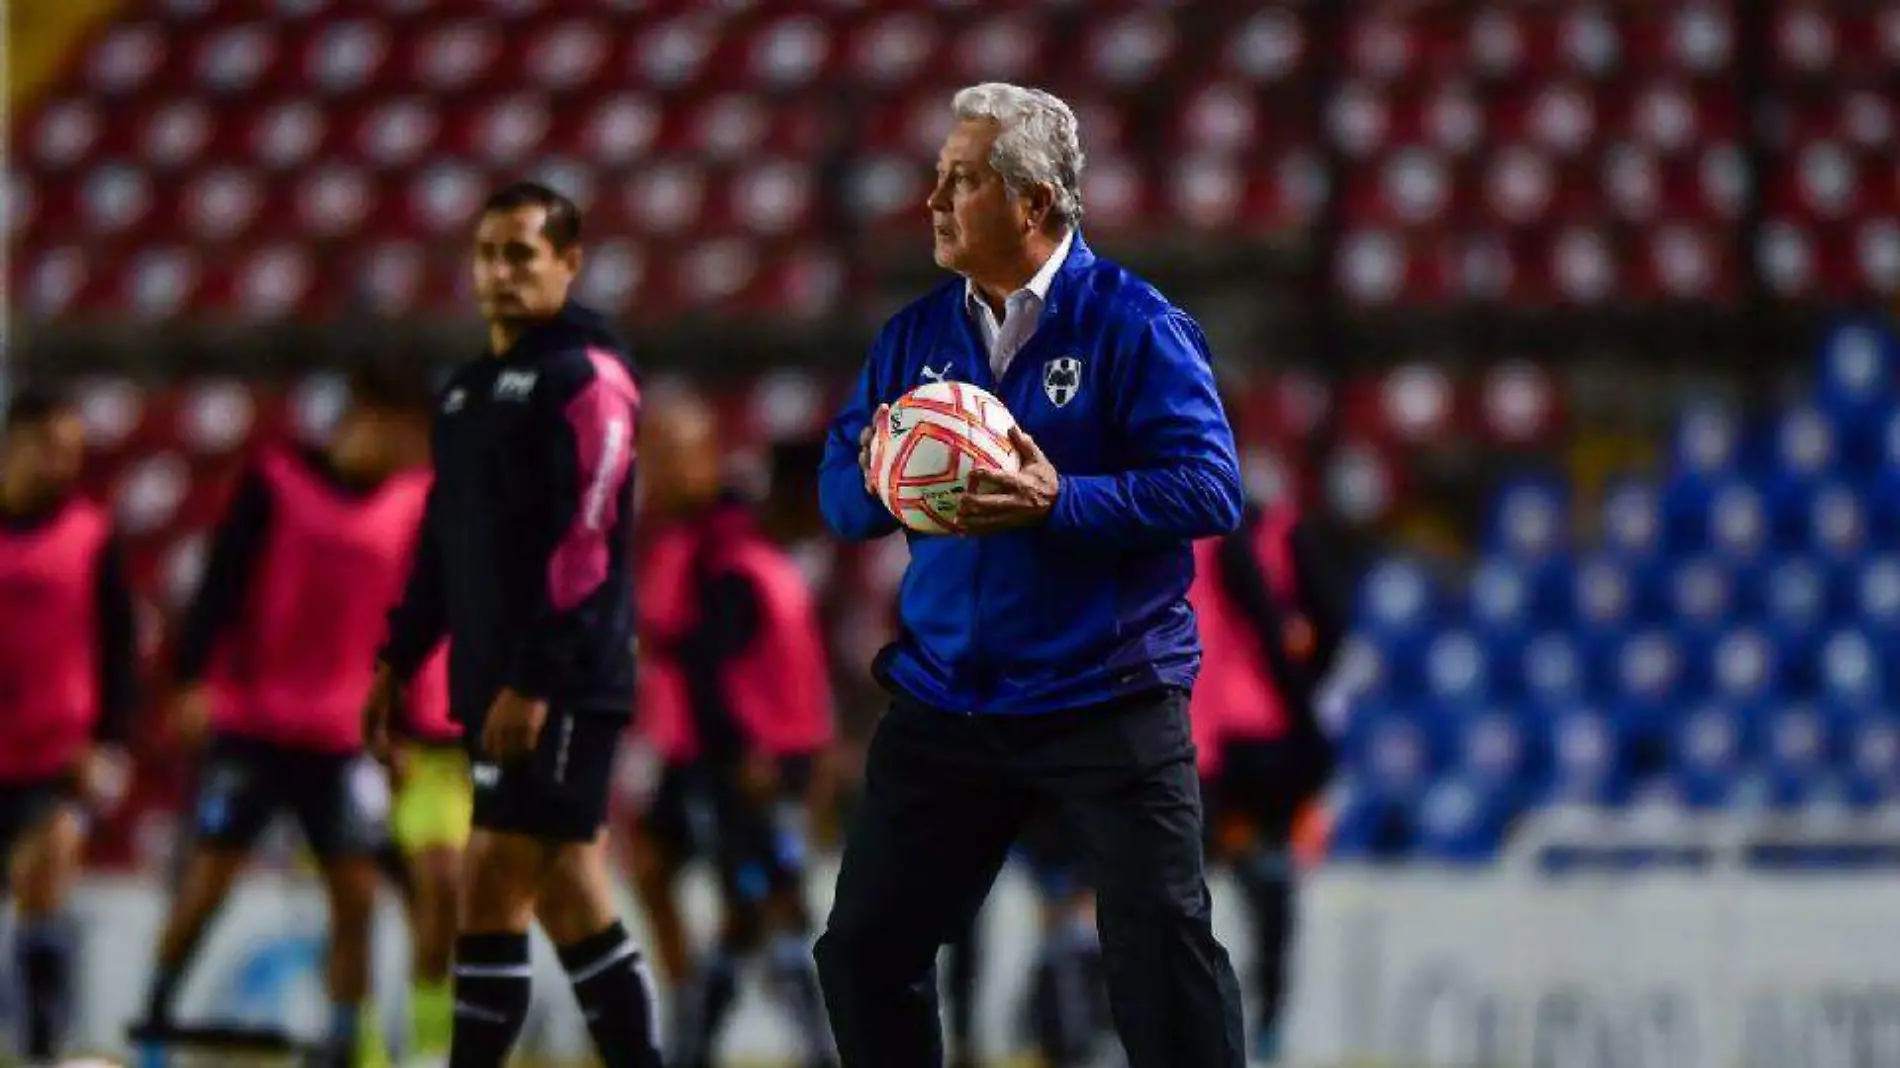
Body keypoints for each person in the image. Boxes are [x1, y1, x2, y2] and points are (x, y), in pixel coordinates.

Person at [813, 83, 1249, 1068]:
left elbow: (1210, 489)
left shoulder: (1134, 325)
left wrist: (1063, 499)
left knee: (1160, 954)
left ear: (1033, 205)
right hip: (949, 697)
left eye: (959, 181)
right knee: (863, 953)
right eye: (935, 177)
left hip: (1106, 692)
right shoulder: (912, 339)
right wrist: (893, 478)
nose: (931, 200)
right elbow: (839, 498)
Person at [365, 181, 659, 1068]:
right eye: (488, 254)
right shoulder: (465, 393)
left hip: (561, 681)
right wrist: (396, 661)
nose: (499, 272)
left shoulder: (586, 380)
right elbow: (442, 544)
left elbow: (588, 537)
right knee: (570, 894)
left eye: (522, 254)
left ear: (569, 263)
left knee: (490, 878)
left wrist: (535, 677)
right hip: (496, 680)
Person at [136, 366, 438, 1068]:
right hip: (255, 723)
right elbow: (221, 587)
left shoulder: (413, 505)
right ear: (367, 420)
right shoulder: (274, 482)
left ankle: (341, 1038)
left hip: (342, 737)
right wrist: (188, 680)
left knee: (357, 892)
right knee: (209, 883)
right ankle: (154, 1017)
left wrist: (407, 722)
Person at [625, 389, 835, 1068]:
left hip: (742, 748)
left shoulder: (725, 541)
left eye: (667, 456)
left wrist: (753, 748)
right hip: (698, 746)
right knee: (683, 876)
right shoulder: (680, 540)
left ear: (705, 458)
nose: (652, 473)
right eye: (648, 457)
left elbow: (716, 657)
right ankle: (695, 1016)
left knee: (764, 898)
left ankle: (807, 1038)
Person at [0, 386, 138, 1065]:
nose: (63, 465)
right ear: (13, 445)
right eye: (51, 450)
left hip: (52, 753)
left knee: (44, 887)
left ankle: (40, 1048)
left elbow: (119, 645)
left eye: (73, 454)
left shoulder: (90, 535)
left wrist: (110, 742)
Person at [1189, 494, 1346, 1062]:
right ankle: (1262, 1023)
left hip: (1201, 744)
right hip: (1250, 743)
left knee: (1175, 897)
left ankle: (1196, 1029)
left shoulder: (1178, 529)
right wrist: (1310, 730)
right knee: (1261, 891)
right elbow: (1311, 629)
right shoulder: (1258, 533)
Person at [384, 637, 462, 1066]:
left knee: (465, 921)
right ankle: (426, 1047)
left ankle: (432, 1040)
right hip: (422, 765)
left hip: (486, 760)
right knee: (438, 894)